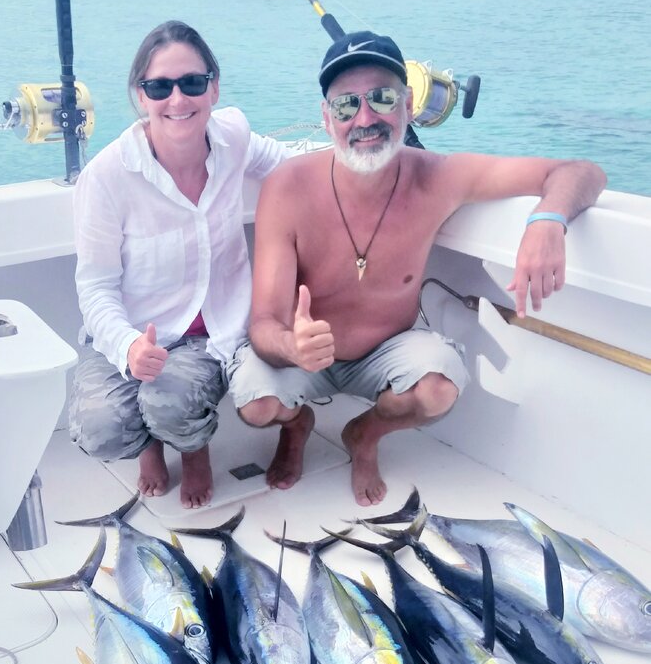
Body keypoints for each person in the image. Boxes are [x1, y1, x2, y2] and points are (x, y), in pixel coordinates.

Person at [228, 30, 607, 507]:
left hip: (388, 350)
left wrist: (548, 220)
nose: (365, 118)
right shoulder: (288, 187)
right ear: (327, 119)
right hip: (303, 358)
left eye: (382, 98)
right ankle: (297, 424)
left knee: (438, 391)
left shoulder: (439, 177)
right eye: (346, 105)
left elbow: (579, 171)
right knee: (256, 405)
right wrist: (292, 346)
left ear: (407, 104)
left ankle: (365, 434)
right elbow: (264, 322)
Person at [68, 21, 287, 507]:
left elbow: (291, 167)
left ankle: (192, 449)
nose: (178, 99)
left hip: (207, 335)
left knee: (169, 402)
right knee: (99, 429)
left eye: (191, 82)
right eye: (159, 87)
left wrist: (372, 163)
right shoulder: (106, 177)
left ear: (213, 87)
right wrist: (128, 346)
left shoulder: (233, 136)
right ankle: (148, 447)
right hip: (130, 334)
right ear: (140, 96)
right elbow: (96, 285)